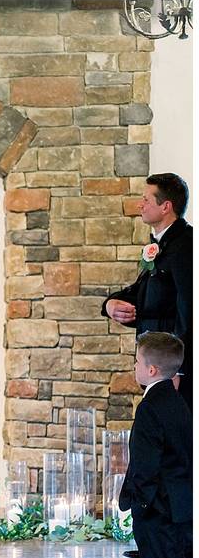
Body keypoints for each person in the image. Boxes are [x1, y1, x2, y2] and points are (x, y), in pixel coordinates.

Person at [119, 332, 192, 558]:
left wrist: (143, 503)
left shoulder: (150, 407)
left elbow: (145, 463)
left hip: (157, 510)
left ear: (151, 370)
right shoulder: (177, 401)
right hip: (176, 506)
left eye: (137, 361)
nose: (134, 366)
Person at [103, 173, 192, 409]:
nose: (139, 205)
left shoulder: (187, 245)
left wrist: (177, 368)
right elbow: (144, 294)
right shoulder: (158, 244)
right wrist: (110, 305)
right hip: (156, 366)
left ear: (166, 207)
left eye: (146, 199)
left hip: (173, 372)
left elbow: (189, 308)